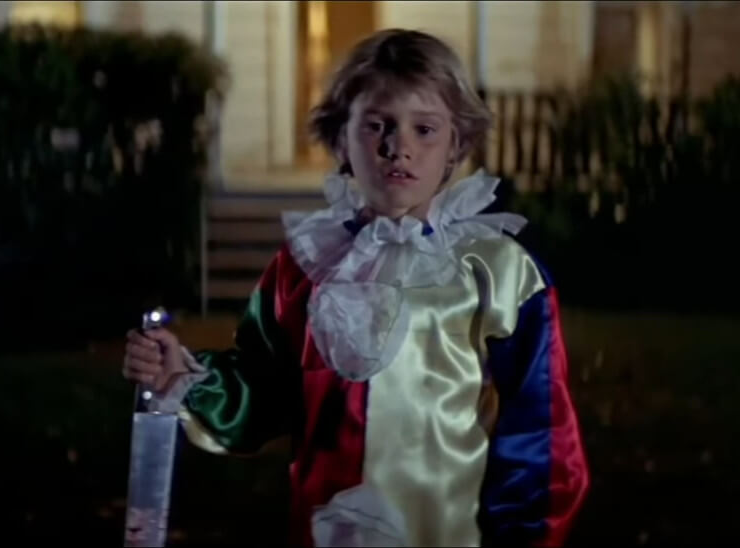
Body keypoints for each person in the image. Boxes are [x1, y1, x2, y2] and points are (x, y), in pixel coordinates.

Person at [123, 28, 589, 547]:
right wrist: (185, 378)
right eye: (376, 125)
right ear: (341, 139)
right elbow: (259, 394)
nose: (398, 147)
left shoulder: (498, 274)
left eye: (425, 129)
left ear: (456, 143)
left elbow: (541, 436)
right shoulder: (303, 269)